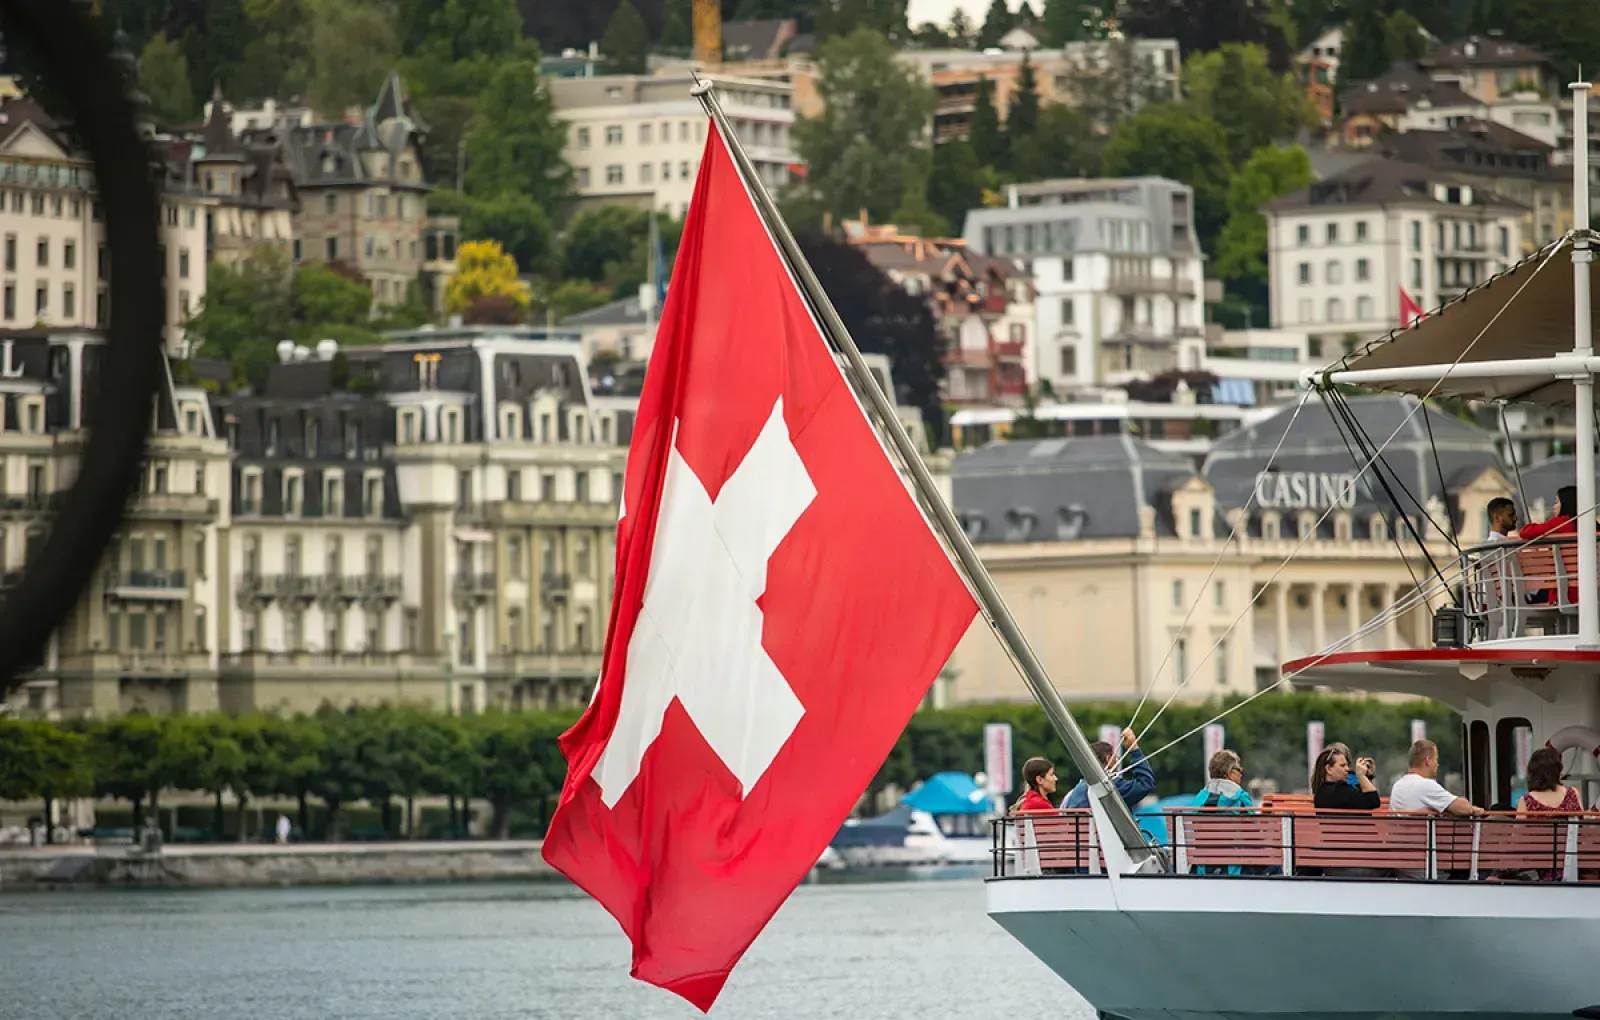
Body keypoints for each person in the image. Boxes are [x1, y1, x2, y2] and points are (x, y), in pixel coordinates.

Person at [1063, 728, 1157, 810]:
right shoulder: (1110, 786)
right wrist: (1134, 749)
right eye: (1115, 756)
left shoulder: (1076, 790)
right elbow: (1146, 783)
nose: (1118, 759)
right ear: (1108, 759)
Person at [1390, 739, 1483, 817]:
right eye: (1436, 759)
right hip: (1424, 834)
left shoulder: (1398, 785)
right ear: (1428, 760)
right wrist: (1472, 809)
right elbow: (1462, 808)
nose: (1437, 764)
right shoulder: (1425, 785)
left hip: (1399, 833)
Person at [1517, 747, 1583, 817]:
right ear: (1557, 771)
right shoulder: (1573, 794)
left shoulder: (1526, 801)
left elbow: (1519, 824)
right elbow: (1583, 821)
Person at [1312, 745, 1380, 811]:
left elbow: (1362, 796)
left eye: (1347, 765)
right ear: (1329, 769)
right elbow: (1373, 800)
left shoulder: (1320, 792)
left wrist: (1367, 777)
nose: (1347, 769)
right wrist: (1361, 776)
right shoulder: (1339, 791)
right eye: (1342, 765)